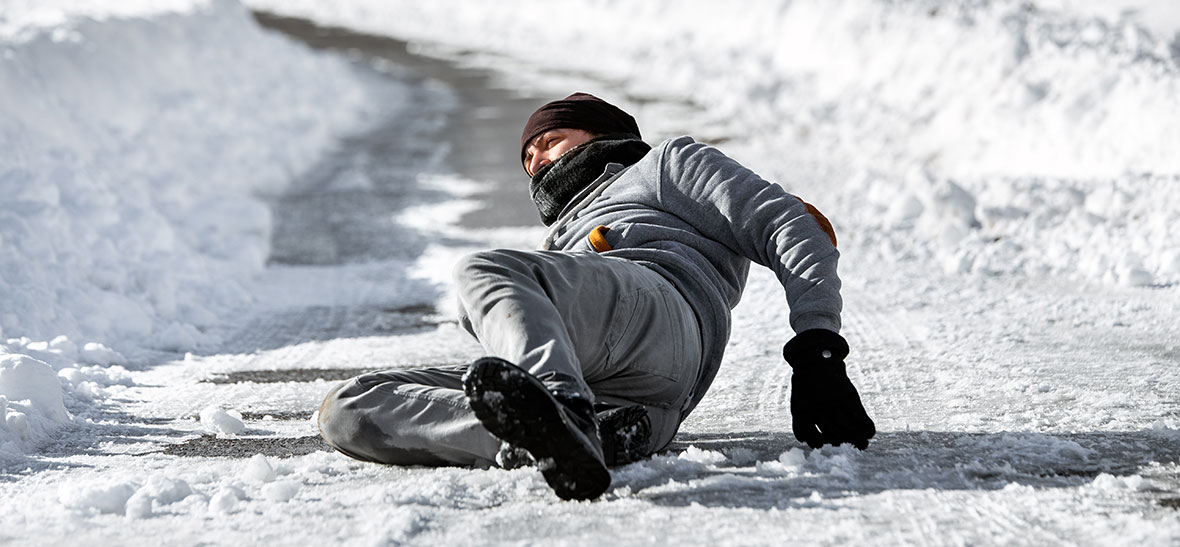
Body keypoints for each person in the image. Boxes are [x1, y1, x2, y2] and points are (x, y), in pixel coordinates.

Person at [316, 92, 875, 501]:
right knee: (349, 407)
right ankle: (552, 437)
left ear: (601, 134)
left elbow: (792, 224)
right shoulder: (558, 240)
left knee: (482, 271)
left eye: (548, 139)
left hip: (662, 309)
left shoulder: (665, 166)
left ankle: (560, 405)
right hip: (641, 397)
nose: (535, 160)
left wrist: (818, 349)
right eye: (526, 158)